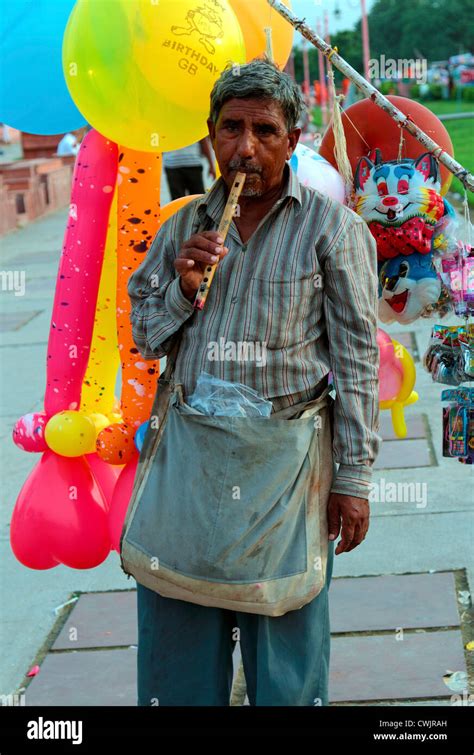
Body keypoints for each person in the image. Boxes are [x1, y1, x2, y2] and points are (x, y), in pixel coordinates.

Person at [127, 59, 380, 706]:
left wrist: (352, 480)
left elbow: (355, 362)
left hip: (285, 471)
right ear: (209, 135)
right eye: (231, 129)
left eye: (264, 130)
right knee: (176, 654)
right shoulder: (181, 228)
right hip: (190, 464)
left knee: (286, 666)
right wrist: (182, 291)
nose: (245, 148)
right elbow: (147, 335)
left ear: (292, 138)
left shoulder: (334, 231)